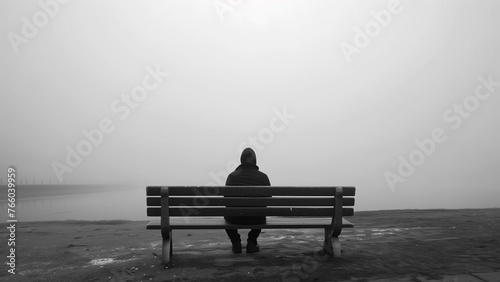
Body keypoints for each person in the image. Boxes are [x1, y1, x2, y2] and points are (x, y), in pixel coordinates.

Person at [224, 147, 271, 254]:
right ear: (255, 161)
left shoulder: (232, 176)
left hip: (235, 218)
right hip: (256, 219)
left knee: (226, 213)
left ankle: (236, 242)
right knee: (261, 212)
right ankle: (252, 242)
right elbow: (268, 199)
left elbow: (226, 200)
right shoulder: (263, 177)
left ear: (241, 160)